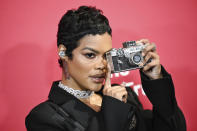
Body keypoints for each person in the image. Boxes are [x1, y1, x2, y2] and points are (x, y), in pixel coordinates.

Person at [25, 6, 186, 131]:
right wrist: (114, 111)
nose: (102, 65)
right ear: (63, 52)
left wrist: (156, 81)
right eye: (90, 55)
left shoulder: (125, 95)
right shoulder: (44, 117)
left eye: (106, 55)